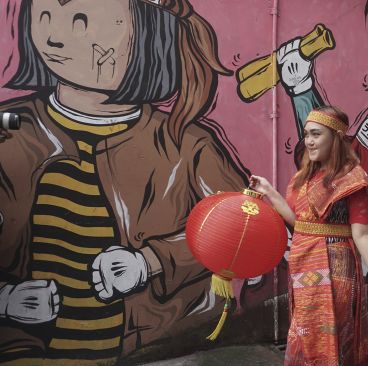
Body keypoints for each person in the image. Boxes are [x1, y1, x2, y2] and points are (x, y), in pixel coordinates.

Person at [0, 0, 248, 362]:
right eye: (44, 17)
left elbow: (240, 229)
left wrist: (151, 261)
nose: (52, 37)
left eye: (81, 21)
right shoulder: (12, 131)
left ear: (148, 34)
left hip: (154, 351)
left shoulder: (186, 146)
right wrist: (6, 300)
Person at [250, 106, 368, 365]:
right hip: (304, 269)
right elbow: (299, 223)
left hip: (336, 272)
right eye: (306, 134)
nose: (309, 141)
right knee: (305, 336)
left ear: (335, 137)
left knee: (334, 338)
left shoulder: (353, 180)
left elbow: (364, 233)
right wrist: (269, 191)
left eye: (316, 134)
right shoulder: (306, 177)